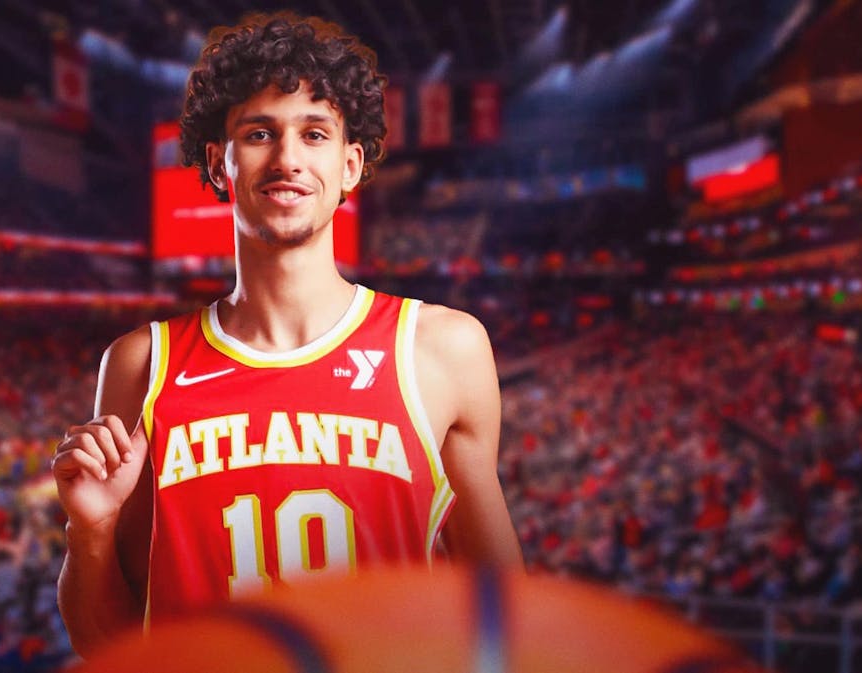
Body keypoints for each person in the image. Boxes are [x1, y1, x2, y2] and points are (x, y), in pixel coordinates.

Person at [51, 12, 522, 657]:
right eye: (260, 133)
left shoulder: (443, 348)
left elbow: (502, 617)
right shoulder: (141, 364)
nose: (288, 158)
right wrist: (92, 533)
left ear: (351, 166)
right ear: (220, 163)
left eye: (315, 133)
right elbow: (110, 646)